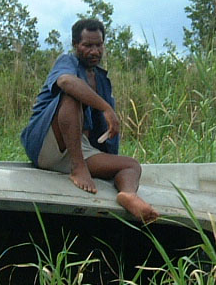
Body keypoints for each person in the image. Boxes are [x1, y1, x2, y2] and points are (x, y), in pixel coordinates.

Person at [21, 17, 158, 223]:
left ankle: (128, 195)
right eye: (87, 45)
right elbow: (66, 82)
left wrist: (108, 162)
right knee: (70, 96)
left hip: (82, 148)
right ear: (76, 45)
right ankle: (78, 168)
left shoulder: (102, 79)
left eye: (98, 45)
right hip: (48, 143)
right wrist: (106, 108)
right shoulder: (67, 62)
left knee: (131, 165)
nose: (94, 51)